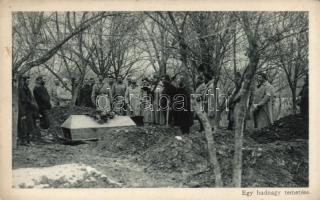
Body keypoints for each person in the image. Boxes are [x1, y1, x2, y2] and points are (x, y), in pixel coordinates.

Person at [17, 75, 39, 146]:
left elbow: (31, 99)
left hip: (29, 110)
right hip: (24, 110)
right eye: (27, 80)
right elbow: (23, 101)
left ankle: (28, 140)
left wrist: (34, 105)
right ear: (23, 81)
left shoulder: (28, 89)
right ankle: (24, 141)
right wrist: (22, 114)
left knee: (30, 125)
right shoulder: (21, 89)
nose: (28, 82)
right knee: (24, 126)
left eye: (29, 80)